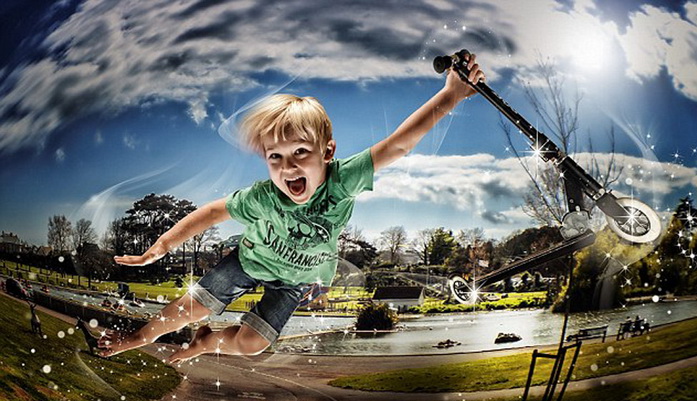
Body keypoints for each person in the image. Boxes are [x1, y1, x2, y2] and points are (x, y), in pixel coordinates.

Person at [98, 53, 486, 363]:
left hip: (297, 280)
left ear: (327, 152)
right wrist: (162, 246)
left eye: (301, 152)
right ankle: (135, 338)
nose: (289, 167)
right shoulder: (263, 196)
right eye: (276, 157)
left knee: (252, 344)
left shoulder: (341, 181)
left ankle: (206, 343)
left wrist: (451, 94)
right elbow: (213, 213)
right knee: (192, 308)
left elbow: (398, 145)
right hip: (249, 262)